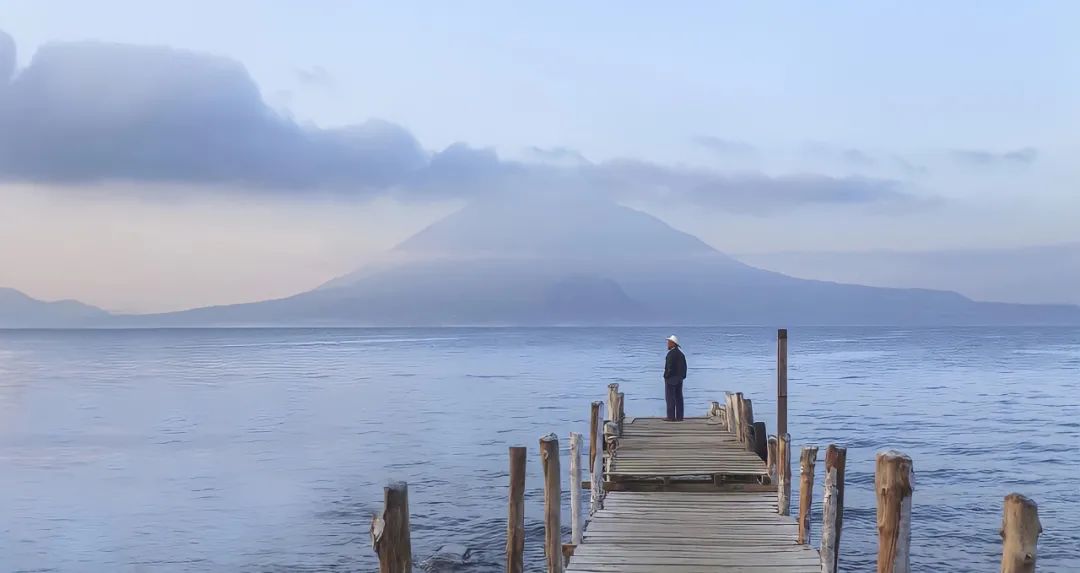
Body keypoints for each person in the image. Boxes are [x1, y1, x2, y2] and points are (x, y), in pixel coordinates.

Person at [663, 335, 687, 421]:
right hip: (679, 379)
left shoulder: (670, 354)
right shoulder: (681, 354)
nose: (667, 344)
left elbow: (669, 367)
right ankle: (680, 417)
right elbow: (685, 367)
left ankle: (671, 417)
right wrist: (682, 376)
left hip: (671, 379)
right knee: (679, 397)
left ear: (673, 344)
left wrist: (666, 376)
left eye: (669, 342)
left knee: (670, 398)